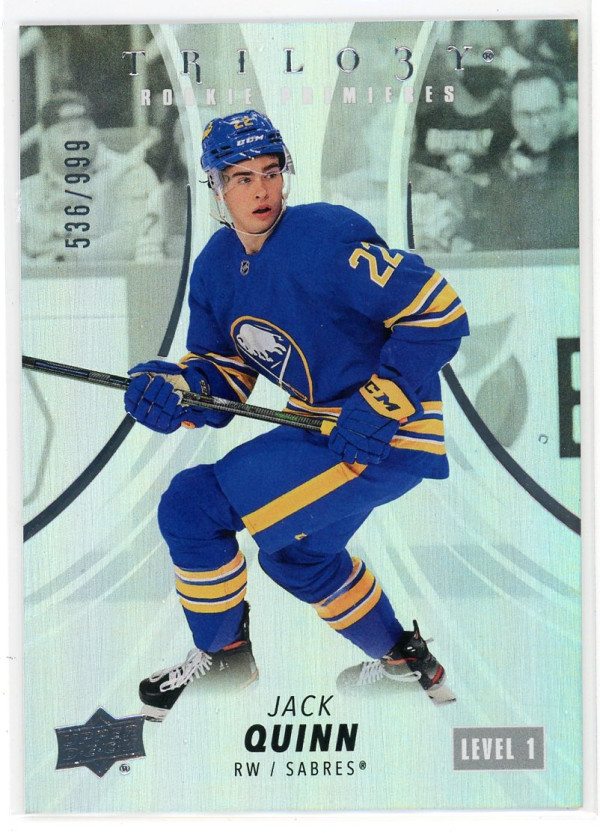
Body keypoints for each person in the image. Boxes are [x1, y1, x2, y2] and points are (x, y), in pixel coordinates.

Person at [124, 110, 469, 721]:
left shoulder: (325, 238)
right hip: (322, 429)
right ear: (214, 186)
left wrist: (383, 398)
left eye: (271, 171)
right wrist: (177, 391)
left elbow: (438, 310)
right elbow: (225, 375)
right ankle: (404, 663)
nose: (261, 189)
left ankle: (224, 657)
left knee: (192, 504)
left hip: (385, 434)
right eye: (241, 177)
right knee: (297, 558)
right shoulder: (215, 266)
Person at [21, 90, 164, 263]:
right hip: (40, 277)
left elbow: (135, 236)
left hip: (113, 276)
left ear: (97, 132)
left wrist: (70, 258)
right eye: (66, 131)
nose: (77, 138)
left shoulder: (131, 172)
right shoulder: (25, 191)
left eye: (85, 128)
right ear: (45, 140)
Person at [471, 64, 579, 250]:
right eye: (524, 114)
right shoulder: (502, 157)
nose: (536, 124)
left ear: (563, 110)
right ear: (512, 117)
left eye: (546, 111)